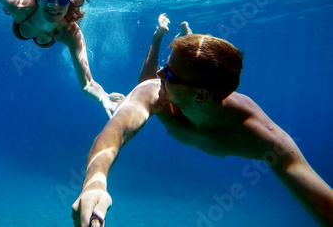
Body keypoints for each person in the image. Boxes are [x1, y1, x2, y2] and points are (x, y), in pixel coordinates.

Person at [72, 14, 333, 227]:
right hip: (178, 101)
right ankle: (159, 38)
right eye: (164, 67)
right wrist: (95, 183)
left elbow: (323, 203)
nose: (159, 74)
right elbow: (116, 130)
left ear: (201, 95)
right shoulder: (157, 92)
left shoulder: (262, 136)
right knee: (143, 86)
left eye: (170, 74)